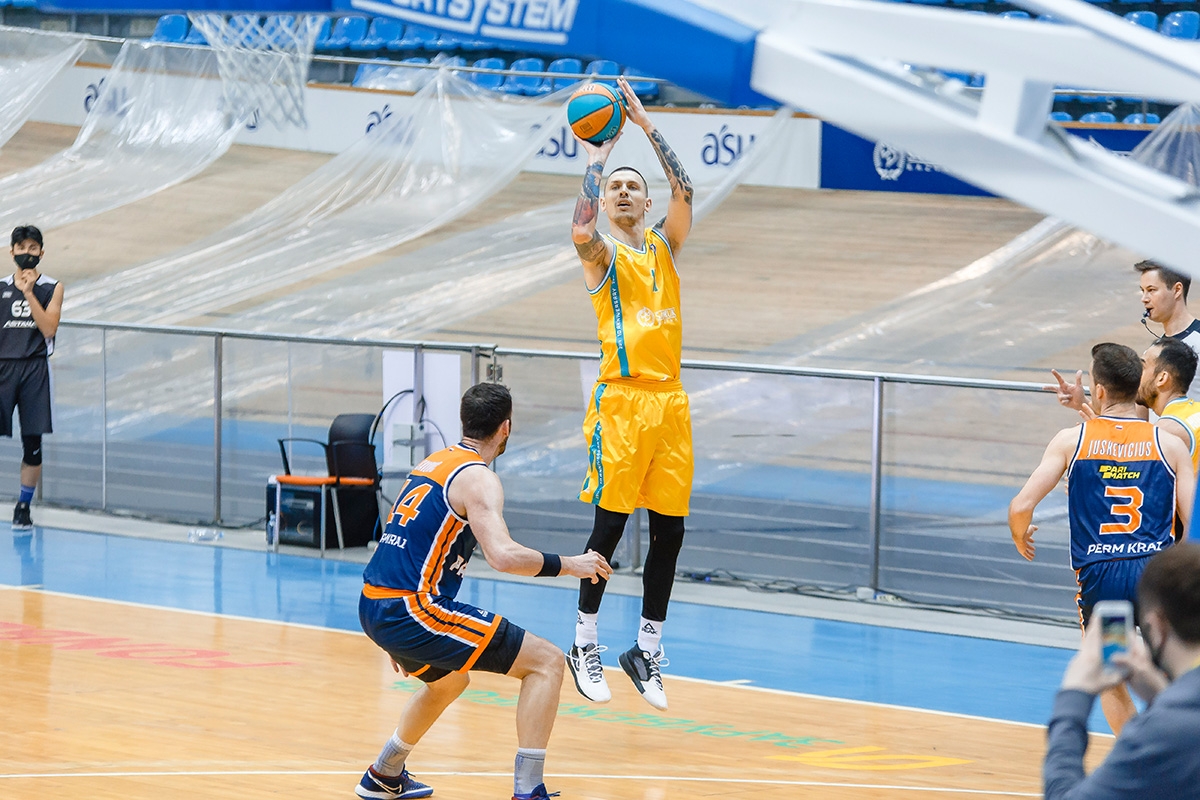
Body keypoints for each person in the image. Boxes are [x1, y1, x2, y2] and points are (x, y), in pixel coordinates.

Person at [355, 383, 612, 800]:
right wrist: (571, 565)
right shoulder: (478, 478)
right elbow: (503, 556)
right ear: (505, 427)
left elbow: (397, 541)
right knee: (546, 662)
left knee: (449, 682)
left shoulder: (433, 463)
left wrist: (392, 629)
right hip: (410, 608)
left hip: (376, 601)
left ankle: (385, 772)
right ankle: (528, 791)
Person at [566, 76, 694, 711]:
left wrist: (646, 126)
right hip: (621, 402)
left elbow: (685, 190)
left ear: (645, 202)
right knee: (609, 528)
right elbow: (579, 231)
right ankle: (584, 639)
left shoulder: (665, 249)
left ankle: (646, 648)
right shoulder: (603, 256)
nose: (621, 190)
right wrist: (599, 157)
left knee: (670, 531)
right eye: (614, 185)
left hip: (670, 403)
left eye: (630, 186)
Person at [1010, 342, 1194, 734]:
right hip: (1154, 577)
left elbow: (1020, 506)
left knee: (1112, 672)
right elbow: (1191, 519)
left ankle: (1136, 753)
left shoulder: (1071, 441)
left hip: (1103, 580)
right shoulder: (1169, 443)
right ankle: (1176, 742)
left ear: (1099, 389)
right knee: (1176, 669)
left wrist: (1020, 532)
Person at [1044, 542, 1200, 798]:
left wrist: (1073, 698)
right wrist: (1162, 697)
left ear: (1156, 626)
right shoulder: (1179, 718)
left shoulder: (1162, 734)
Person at [3, 225, 62, 532]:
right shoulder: (0, 288)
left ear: (41, 252)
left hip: (34, 369)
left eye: (33, 248)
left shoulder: (52, 287)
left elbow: (49, 328)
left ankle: (23, 506)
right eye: (21, 248)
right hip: (3, 368)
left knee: (32, 443)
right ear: (11, 251)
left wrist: (28, 293)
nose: (27, 253)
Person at [1136, 259, 1200, 353]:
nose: (1144, 299)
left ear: (1177, 290)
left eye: (1151, 290)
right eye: (1143, 291)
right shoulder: (1152, 351)